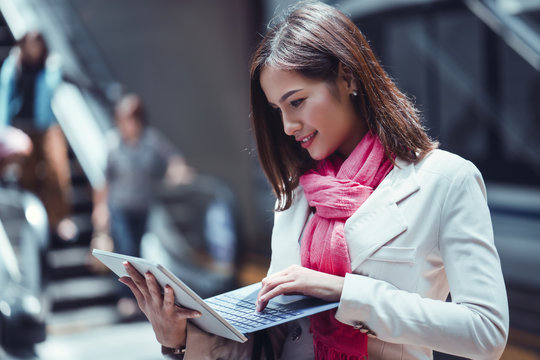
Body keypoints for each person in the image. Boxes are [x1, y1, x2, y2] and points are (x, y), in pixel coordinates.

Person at [119, 2, 509, 359]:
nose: (288, 126)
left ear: (348, 77)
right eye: (277, 110)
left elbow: (487, 332)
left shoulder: (446, 180)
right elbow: (276, 339)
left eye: (297, 101)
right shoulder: (295, 194)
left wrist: (345, 294)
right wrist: (180, 339)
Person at [92, 93, 194, 315]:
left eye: (129, 119)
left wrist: (176, 171)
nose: (125, 125)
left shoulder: (151, 140)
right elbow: (104, 181)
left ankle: (140, 298)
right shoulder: (113, 144)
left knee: (138, 252)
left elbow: (173, 158)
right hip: (119, 206)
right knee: (126, 249)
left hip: (143, 206)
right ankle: (126, 298)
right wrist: (100, 209)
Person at [0, 31, 76, 242]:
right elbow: (5, 98)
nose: (35, 48)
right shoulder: (13, 66)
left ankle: (59, 218)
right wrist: (4, 129)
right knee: (28, 173)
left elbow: (54, 86)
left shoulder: (48, 66)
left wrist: (53, 67)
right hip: (21, 127)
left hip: (46, 125)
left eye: (38, 44)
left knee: (56, 168)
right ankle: (32, 216)